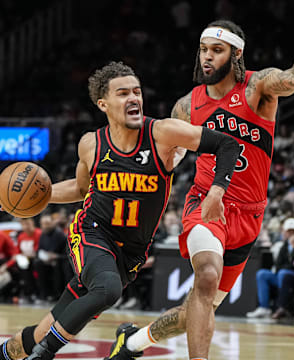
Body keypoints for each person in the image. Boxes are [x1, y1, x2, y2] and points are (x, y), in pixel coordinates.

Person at [107, 14, 294, 360]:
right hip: (207, 203)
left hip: (250, 217)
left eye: (217, 50)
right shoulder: (186, 105)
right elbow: (166, 159)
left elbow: (292, 79)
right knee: (206, 275)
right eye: (203, 49)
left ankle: (132, 342)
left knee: (194, 309)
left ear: (235, 54)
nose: (207, 56)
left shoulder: (257, 87)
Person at [0, 61, 239, 360]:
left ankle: (9, 352)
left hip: (131, 253)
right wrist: (36, 199)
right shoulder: (91, 144)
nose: (133, 99)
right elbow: (82, 189)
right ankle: (45, 354)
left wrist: (217, 190)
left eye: (137, 92)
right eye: (123, 93)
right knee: (107, 289)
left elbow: (228, 145)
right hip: (93, 233)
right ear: (103, 103)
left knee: (49, 325)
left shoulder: (162, 133)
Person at [246, 218, 294, 318]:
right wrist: (288, 265)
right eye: (288, 231)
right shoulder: (284, 246)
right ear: (284, 232)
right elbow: (278, 265)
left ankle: (281, 306)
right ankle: (264, 307)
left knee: (283, 273)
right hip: (283, 274)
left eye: (293, 231)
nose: (291, 234)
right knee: (262, 274)